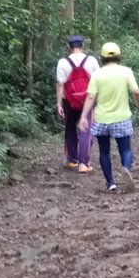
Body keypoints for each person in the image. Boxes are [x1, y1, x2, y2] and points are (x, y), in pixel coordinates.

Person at [79, 42, 139, 193]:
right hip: (121, 118)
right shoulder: (126, 72)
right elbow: (136, 92)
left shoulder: (97, 74)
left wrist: (83, 117)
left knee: (104, 151)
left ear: (102, 57)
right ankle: (126, 169)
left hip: (101, 119)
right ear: (119, 56)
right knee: (125, 150)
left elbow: (90, 97)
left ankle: (110, 183)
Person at [56, 35, 99, 174]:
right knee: (86, 130)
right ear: (83, 46)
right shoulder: (91, 60)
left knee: (70, 128)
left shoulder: (63, 62)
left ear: (69, 46)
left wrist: (59, 104)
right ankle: (83, 164)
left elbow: (60, 84)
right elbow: (98, 81)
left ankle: (72, 160)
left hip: (69, 101)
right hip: (87, 100)